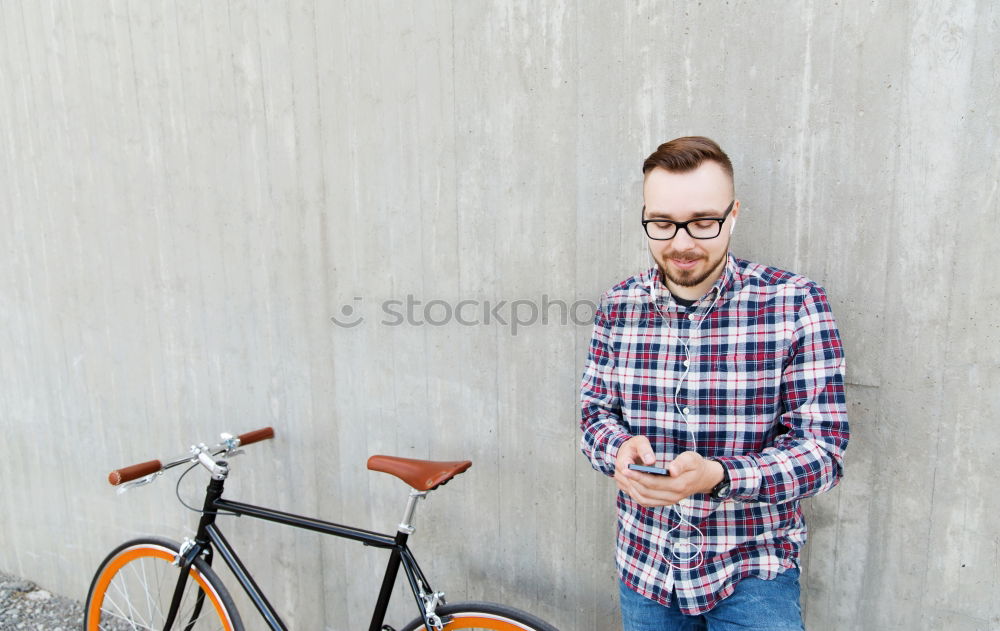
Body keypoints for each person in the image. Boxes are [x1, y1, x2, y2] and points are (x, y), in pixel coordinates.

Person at [579, 136, 849, 631]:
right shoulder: (618, 305)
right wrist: (616, 450)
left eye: (703, 222)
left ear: (734, 213)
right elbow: (595, 416)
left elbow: (824, 453)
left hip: (752, 573)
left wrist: (720, 477)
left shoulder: (795, 304)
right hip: (645, 568)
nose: (682, 243)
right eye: (661, 223)